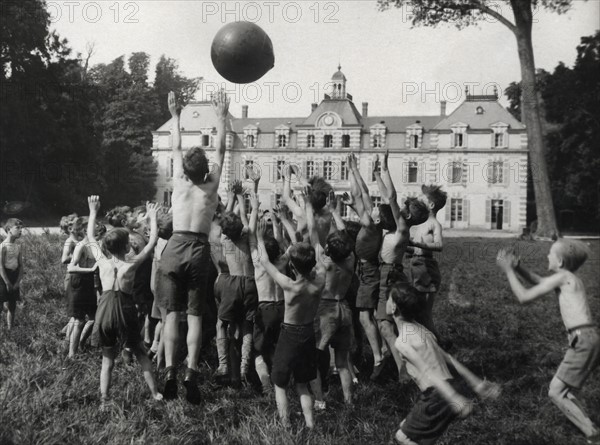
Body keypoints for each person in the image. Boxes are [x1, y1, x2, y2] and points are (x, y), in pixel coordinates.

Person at [158, 89, 230, 404]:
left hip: (174, 245)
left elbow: (174, 146)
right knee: (196, 316)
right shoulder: (211, 185)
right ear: (204, 170)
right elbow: (222, 150)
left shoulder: (178, 181)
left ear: (185, 170)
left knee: (171, 315)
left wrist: (175, 116)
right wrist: (221, 117)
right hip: (199, 248)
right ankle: (190, 373)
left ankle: (170, 372)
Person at [497, 241, 600, 443]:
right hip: (589, 337)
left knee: (555, 392)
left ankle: (594, 436)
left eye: (550, 254)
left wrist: (509, 271)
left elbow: (524, 297)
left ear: (560, 261)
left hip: (583, 340)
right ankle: (591, 429)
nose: (547, 257)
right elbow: (538, 280)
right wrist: (519, 267)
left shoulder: (563, 277)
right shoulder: (568, 278)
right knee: (564, 391)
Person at [387, 282, 501, 445]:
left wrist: (453, 398)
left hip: (438, 395)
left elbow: (426, 370)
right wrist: (476, 383)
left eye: (389, 299)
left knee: (401, 438)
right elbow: (448, 358)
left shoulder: (402, 341)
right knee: (407, 428)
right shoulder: (421, 329)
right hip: (451, 387)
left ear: (393, 308)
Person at [81, 196, 163, 408]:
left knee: (107, 359)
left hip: (105, 310)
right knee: (141, 354)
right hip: (125, 310)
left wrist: (92, 211)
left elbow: (90, 236)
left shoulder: (103, 262)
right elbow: (152, 241)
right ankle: (155, 394)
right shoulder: (131, 264)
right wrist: (153, 217)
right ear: (126, 246)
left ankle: (103, 400)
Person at [256, 211, 325, 429]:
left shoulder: (289, 285)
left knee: (280, 384)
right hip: (308, 332)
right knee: (302, 384)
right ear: (313, 263)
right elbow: (317, 246)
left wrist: (258, 238)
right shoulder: (320, 282)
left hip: (289, 334)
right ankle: (310, 424)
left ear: (292, 267)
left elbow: (266, 262)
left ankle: (285, 426)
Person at [373, 152, 429, 379]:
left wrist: (384, 167)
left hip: (388, 272)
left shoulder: (403, 226)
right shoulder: (402, 229)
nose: (401, 209)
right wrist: (377, 173)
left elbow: (391, 197)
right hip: (392, 271)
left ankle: (403, 372)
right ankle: (401, 359)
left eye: (405, 208)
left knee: (384, 325)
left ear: (408, 214)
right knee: (394, 322)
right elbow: (388, 197)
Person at [309, 190, 356, 408]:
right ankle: (349, 402)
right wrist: (336, 210)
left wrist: (310, 205)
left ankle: (319, 401)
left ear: (328, 247)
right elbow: (344, 234)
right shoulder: (349, 261)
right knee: (342, 362)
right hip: (344, 308)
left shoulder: (324, 261)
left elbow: (311, 231)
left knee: (315, 358)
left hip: (325, 309)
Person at [343, 152, 385, 381]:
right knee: (370, 316)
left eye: (377, 209)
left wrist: (351, 170)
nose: (373, 207)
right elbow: (365, 193)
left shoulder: (369, 224)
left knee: (363, 317)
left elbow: (359, 197)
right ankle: (382, 351)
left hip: (368, 273)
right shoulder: (373, 221)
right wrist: (355, 170)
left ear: (378, 219)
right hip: (370, 270)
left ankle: (378, 356)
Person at [248, 180, 287, 394]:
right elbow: (285, 245)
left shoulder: (258, 263)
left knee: (259, 351)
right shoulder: (282, 262)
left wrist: (254, 208)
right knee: (277, 346)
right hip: (282, 307)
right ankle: (281, 379)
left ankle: (265, 384)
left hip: (264, 309)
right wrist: (278, 222)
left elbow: (252, 238)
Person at [218, 180, 257, 385]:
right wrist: (241, 196)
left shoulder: (224, 239)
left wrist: (232, 196)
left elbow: (226, 219)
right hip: (250, 283)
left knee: (222, 324)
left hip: (231, 284)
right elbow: (243, 218)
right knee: (247, 326)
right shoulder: (248, 236)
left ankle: (223, 363)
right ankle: (244, 367)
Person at [407, 184, 446, 341]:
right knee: (416, 312)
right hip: (415, 267)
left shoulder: (433, 224)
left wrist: (419, 245)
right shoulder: (417, 224)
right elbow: (414, 248)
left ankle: (440, 343)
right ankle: (428, 344)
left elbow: (439, 245)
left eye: (421, 199)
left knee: (424, 314)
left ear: (431, 205)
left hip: (426, 269)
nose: (417, 201)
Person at [65, 217, 97, 357]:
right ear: (85, 229)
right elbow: (71, 267)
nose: (97, 227)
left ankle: (81, 344)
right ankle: (71, 355)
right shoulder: (81, 246)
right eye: (93, 226)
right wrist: (90, 270)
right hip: (78, 282)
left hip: (88, 282)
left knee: (94, 317)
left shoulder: (93, 245)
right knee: (79, 319)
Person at [0, 218, 23, 330]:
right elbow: (0, 266)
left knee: (12, 304)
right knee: (1, 301)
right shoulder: (3, 246)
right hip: (3, 277)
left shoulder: (18, 246)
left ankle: (10, 328)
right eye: (17, 228)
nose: (20, 230)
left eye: (21, 228)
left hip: (14, 276)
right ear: (9, 229)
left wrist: (18, 281)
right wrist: (7, 282)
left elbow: (21, 265)